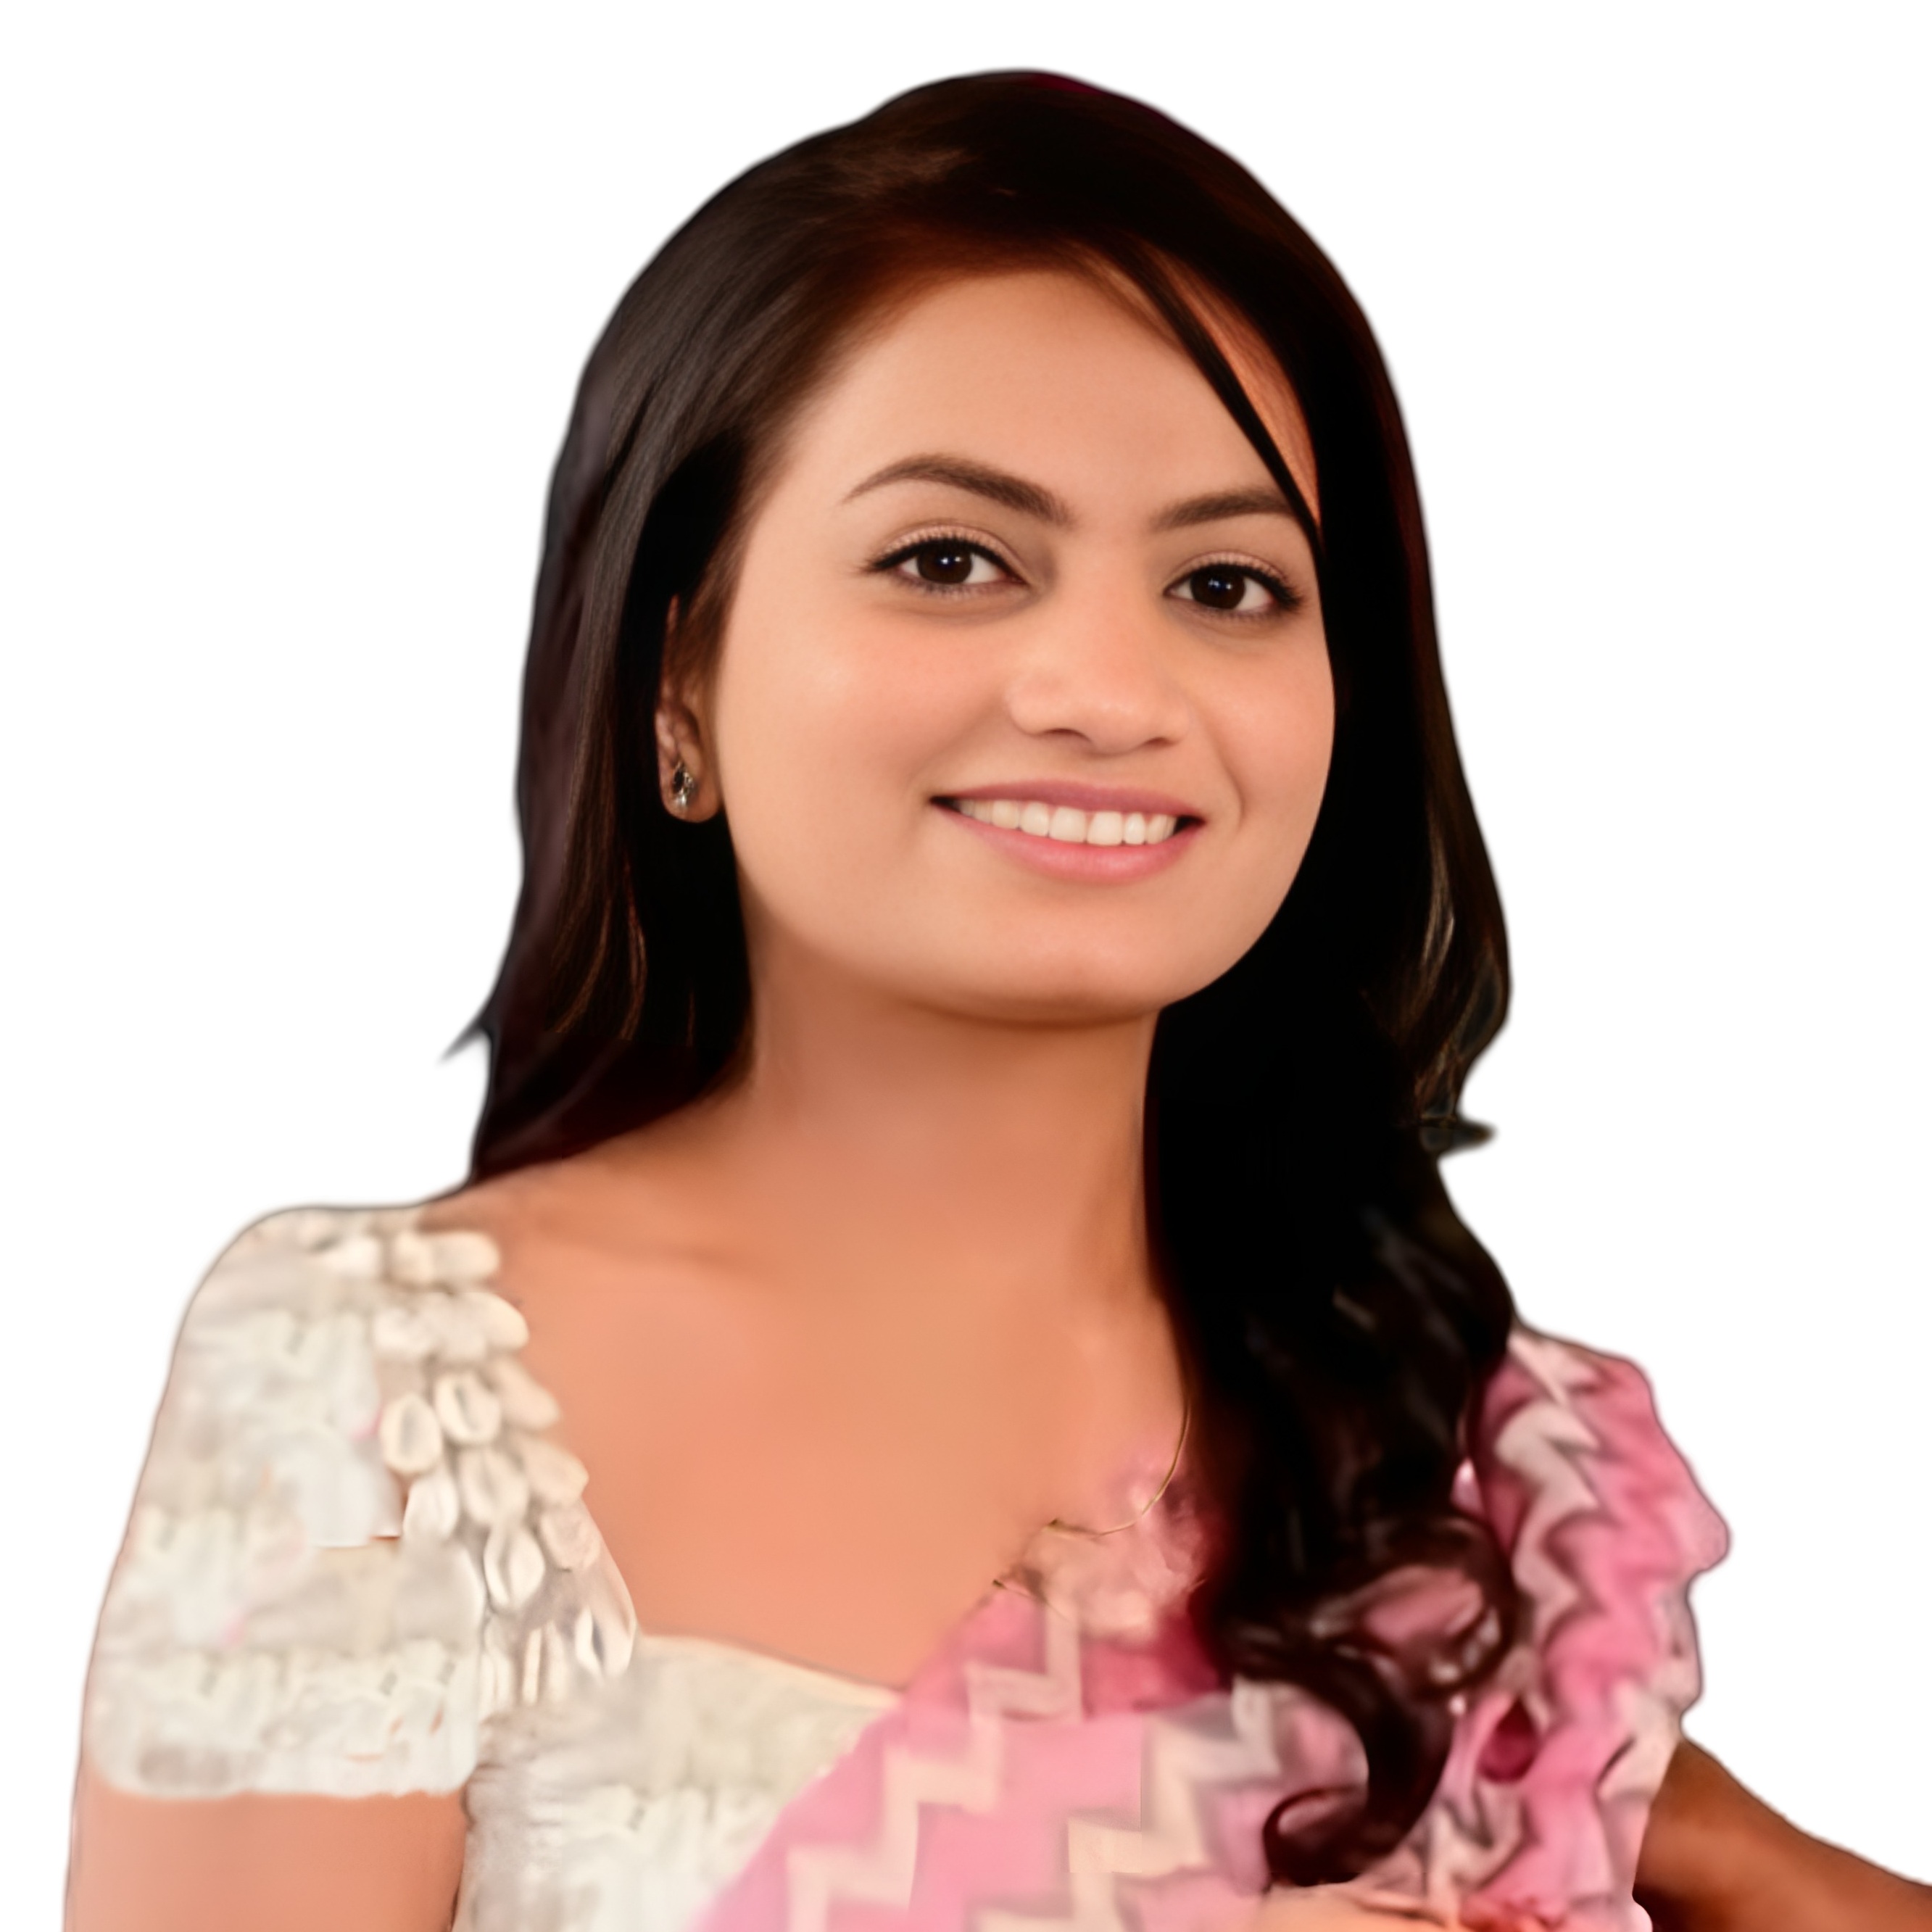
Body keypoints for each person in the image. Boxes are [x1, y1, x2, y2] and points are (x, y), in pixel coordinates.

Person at [65, 72, 1930, 1932]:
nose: (1109, 691)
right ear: (674, 679)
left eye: (1228, 583)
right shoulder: (370, 1384)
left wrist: (1726, 1852)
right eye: (948, 561)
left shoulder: (1456, 1493)